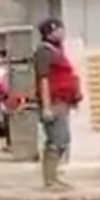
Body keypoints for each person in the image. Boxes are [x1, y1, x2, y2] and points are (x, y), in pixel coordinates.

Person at [33, 18, 82, 190]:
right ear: (51, 32)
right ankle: (49, 179)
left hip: (63, 101)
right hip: (53, 102)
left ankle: (54, 176)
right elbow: (43, 79)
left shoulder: (58, 51)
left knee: (63, 139)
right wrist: (46, 106)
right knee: (56, 140)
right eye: (59, 30)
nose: (63, 33)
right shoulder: (44, 52)